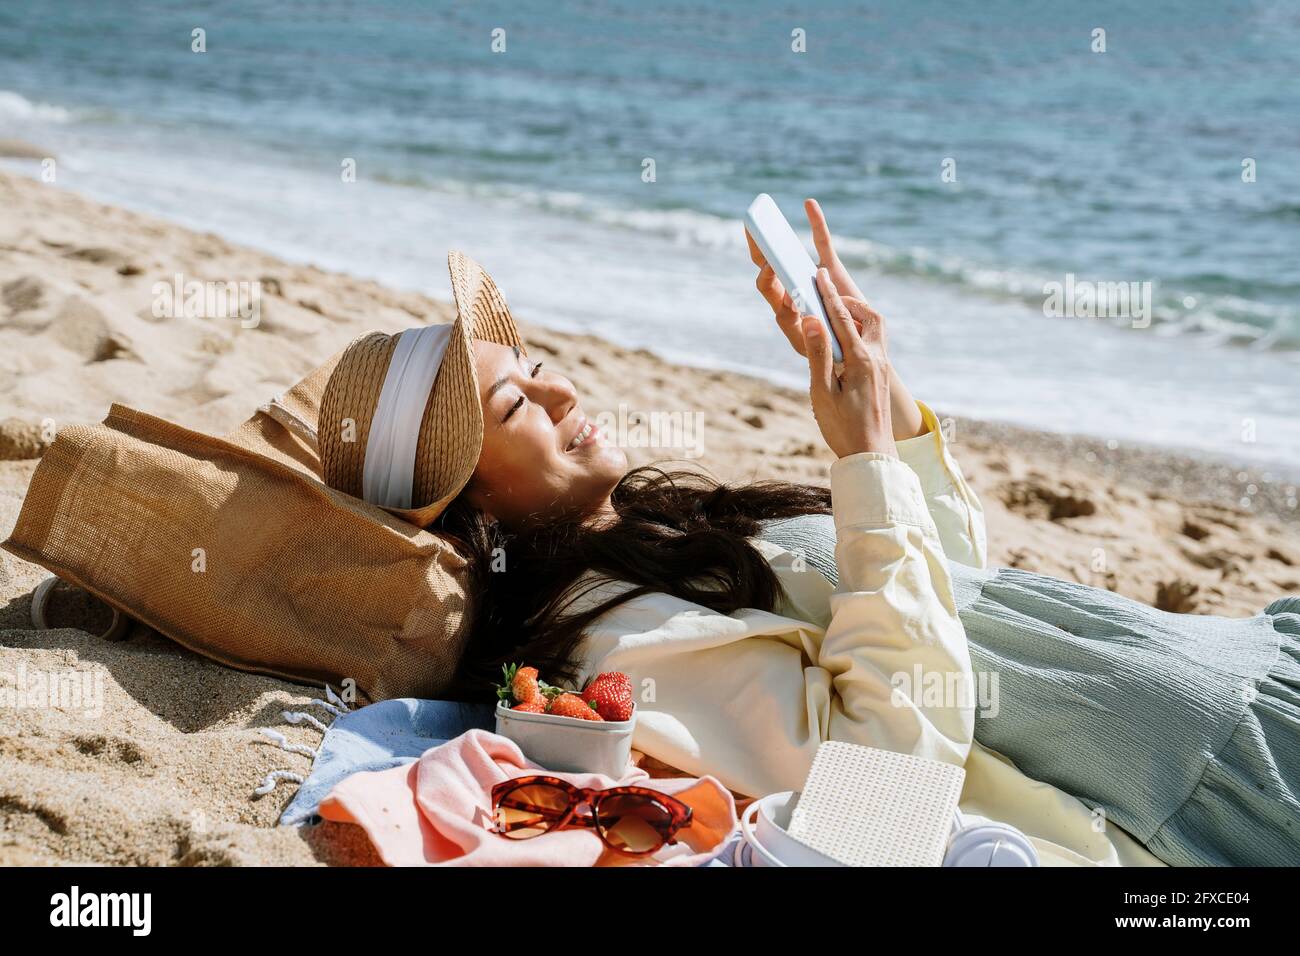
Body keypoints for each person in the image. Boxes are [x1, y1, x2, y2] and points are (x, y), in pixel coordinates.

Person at [317, 215, 1299, 867]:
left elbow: (948, 586)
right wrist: (862, 461)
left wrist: (876, 390)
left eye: (538, 365)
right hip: (1224, 798)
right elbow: (880, 792)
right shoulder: (606, 643)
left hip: (1254, 663)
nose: (563, 389)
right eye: (516, 401)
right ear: (469, 504)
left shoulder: (655, 526)